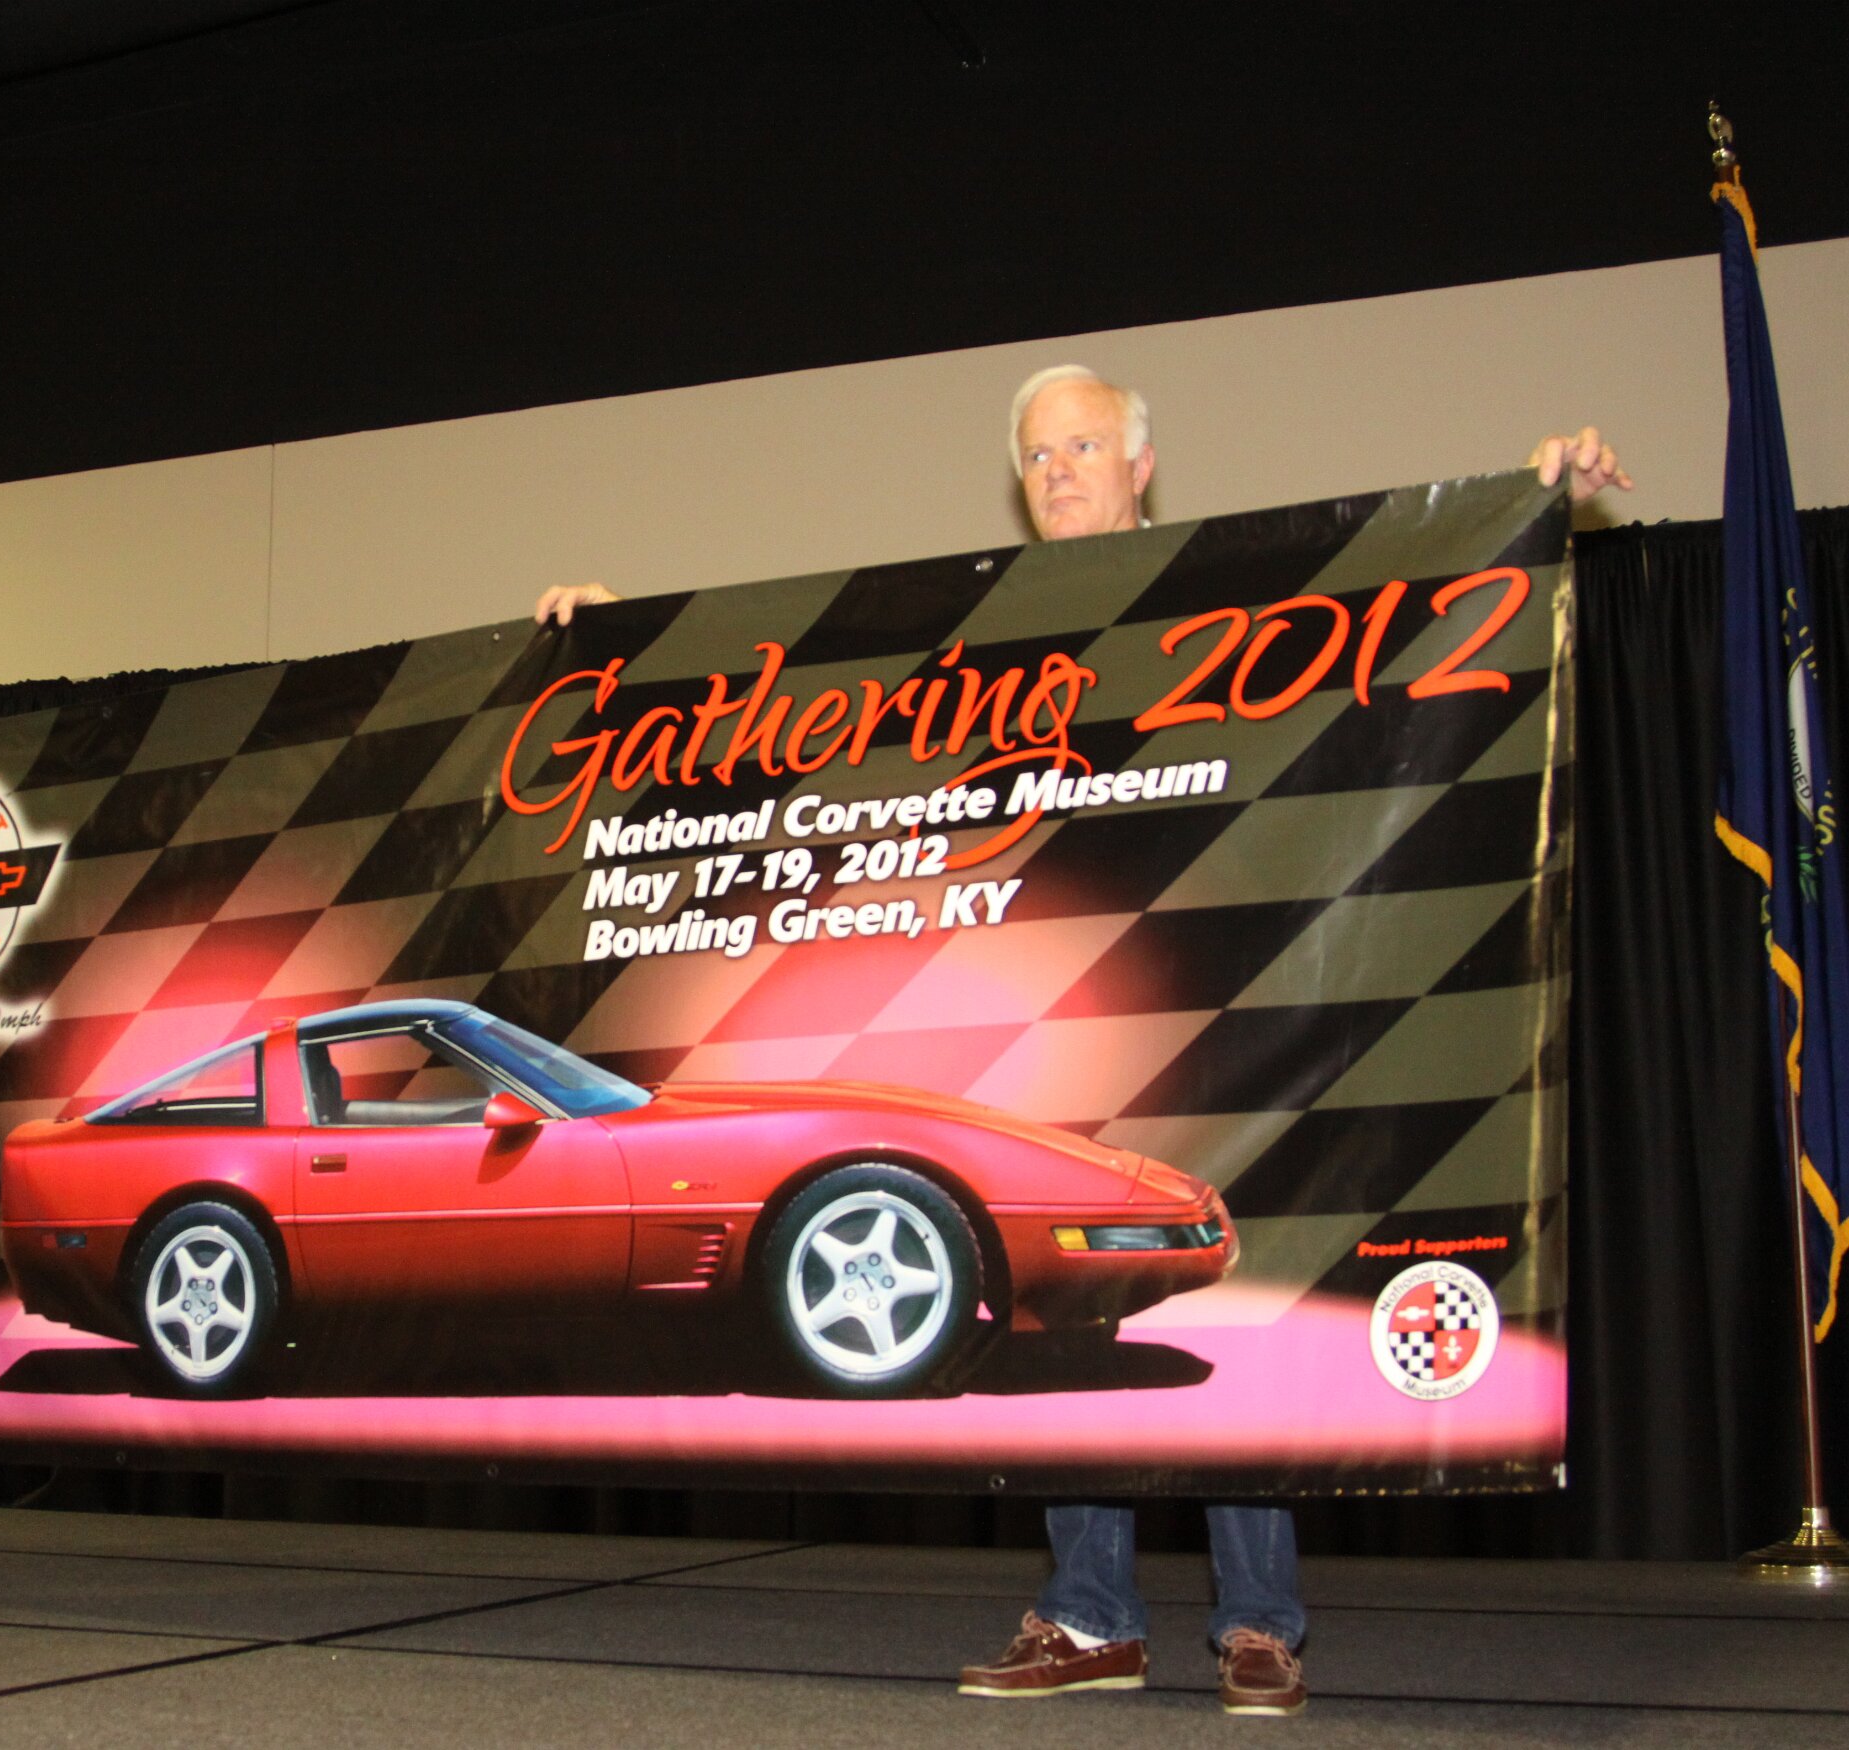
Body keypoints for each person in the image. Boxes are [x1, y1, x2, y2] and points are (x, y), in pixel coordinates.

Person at [535, 366, 1627, 1713]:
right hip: (1054, 1037)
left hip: (1220, 1016)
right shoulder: (988, 630)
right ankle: (1090, 1617)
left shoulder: (1232, 600)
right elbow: (790, 721)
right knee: (1058, 1314)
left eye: (1084, 445)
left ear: (1140, 462)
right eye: (1040, 454)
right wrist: (621, 648)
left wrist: (1531, 496)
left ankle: (1257, 1623)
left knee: (1233, 1313)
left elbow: (1407, 622)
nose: (1059, 470)